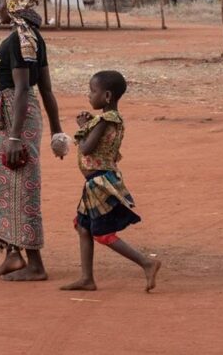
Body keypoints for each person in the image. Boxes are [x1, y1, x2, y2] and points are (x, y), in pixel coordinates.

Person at [0, 0, 69, 282]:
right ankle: (12, 254)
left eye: (2, 2)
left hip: (14, 122)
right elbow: (46, 90)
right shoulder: (31, 37)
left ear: (14, 5)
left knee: (20, 190)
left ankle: (36, 265)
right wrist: (56, 132)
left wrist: (15, 137)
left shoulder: (20, 40)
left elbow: (22, 90)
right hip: (7, 120)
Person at [61, 70, 161, 293]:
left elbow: (87, 148)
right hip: (96, 183)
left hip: (99, 183)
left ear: (106, 96)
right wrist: (90, 124)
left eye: (92, 91)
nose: (89, 95)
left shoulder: (105, 120)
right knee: (83, 227)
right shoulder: (111, 119)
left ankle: (146, 262)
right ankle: (86, 278)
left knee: (102, 233)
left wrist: (82, 127)